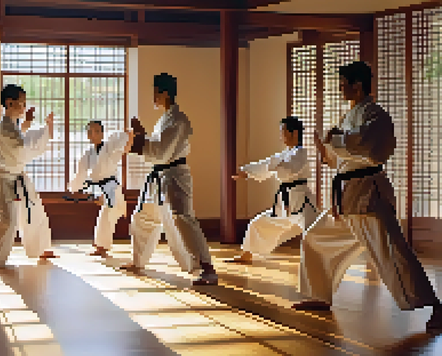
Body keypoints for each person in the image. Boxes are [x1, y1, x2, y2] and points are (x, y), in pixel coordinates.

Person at [294, 61, 442, 332]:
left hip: (367, 195)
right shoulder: (349, 115)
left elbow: (372, 148)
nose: (340, 89)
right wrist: (324, 148)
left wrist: (336, 140)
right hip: (347, 196)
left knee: (393, 253)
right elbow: (339, 156)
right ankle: (320, 294)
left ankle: (436, 306)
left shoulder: (375, 114)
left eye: (343, 84)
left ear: (357, 84)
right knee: (315, 238)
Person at [120, 73, 217, 286]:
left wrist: (138, 142)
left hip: (174, 175)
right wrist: (141, 137)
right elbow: (157, 147)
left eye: (155, 93)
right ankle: (138, 261)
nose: (153, 97)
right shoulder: (165, 118)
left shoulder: (178, 119)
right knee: (143, 217)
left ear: (164, 93)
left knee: (183, 219)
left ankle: (206, 268)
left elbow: (162, 151)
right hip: (160, 175)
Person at [0, 84, 56, 269]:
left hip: (16, 178)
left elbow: (20, 138)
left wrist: (29, 124)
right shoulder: (3, 127)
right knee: (7, 220)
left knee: (35, 210)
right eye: (20, 104)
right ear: (9, 103)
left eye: (24, 103)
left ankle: (41, 247)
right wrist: (45, 131)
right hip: (3, 180)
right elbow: (21, 147)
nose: (24, 107)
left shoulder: (12, 126)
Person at [227, 116, 318, 264]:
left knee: (314, 232)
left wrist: (275, 164)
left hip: (301, 202)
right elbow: (267, 164)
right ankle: (247, 255)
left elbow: (290, 169)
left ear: (294, 133)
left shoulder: (301, 152)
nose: (281, 136)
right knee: (258, 223)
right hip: (284, 203)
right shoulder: (286, 153)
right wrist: (246, 172)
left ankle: (316, 261)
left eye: (283, 132)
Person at [67, 120, 134, 257]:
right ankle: (101, 245)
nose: (94, 134)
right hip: (99, 188)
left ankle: (102, 245)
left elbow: (125, 148)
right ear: (87, 135)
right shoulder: (88, 154)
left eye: (97, 131)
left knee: (107, 215)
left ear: (102, 133)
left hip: (111, 187)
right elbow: (81, 173)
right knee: (106, 216)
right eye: (91, 132)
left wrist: (130, 136)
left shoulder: (109, 147)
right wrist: (74, 187)